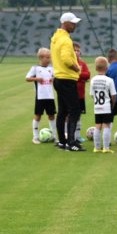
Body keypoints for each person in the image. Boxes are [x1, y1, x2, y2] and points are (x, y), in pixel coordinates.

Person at [50, 12, 85, 151]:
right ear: (65, 23)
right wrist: (76, 66)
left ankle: (62, 141)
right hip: (66, 78)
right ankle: (71, 142)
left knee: (63, 111)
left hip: (58, 78)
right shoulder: (66, 40)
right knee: (74, 110)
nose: (75, 25)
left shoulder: (55, 38)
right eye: (73, 22)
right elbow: (65, 59)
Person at [25, 47, 57, 144]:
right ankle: (35, 137)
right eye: (47, 57)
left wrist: (53, 78)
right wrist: (36, 79)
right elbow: (27, 78)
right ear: (41, 58)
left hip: (50, 96)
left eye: (50, 57)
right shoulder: (35, 68)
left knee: (51, 115)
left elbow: (56, 76)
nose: (49, 59)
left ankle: (54, 136)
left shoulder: (51, 68)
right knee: (38, 115)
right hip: (40, 96)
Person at [89, 56, 117, 153]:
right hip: (106, 106)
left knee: (97, 126)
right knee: (106, 126)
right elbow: (114, 95)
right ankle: (106, 147)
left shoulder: (93, 80)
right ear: (107, 68)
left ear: (96, 68)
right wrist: (112, 103)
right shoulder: (109, 80)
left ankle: (97, 147)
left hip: (97, 106)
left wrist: (96, 102)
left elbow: (92, 94)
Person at [74, 42, 91, 142]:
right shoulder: (69, 64)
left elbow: (87, 75)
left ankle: (78, 135)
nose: (76, 52)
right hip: (71, 93)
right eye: (74, 50)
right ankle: (68, 135)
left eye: (78, 51)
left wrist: (78, 75)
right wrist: (81, 76)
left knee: (79, 115)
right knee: (69, 115)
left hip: (81, 94)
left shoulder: (82, 63)